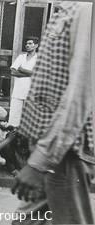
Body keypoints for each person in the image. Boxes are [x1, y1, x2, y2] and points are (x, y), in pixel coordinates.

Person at [11, 2, 94, 224]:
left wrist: (40, 162)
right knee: (26, 220)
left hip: (66, 152)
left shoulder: (85, 10)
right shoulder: (66, 10)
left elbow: (80, 94)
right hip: (49, 147)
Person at [8, 36, 38, 127]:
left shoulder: (38, 58)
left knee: (30, 119)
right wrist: (30, 74)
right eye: (26, 43)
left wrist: (22, 69)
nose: (27, 45)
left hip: (31, 92)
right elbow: (13, 72)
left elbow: (38, 74)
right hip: (18, 91)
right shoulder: (21, 57)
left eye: (30, 43)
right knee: (14, 118)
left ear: (36, 45)